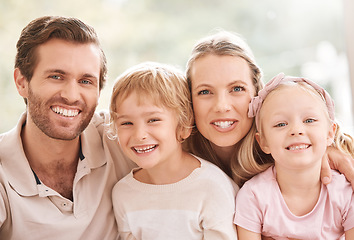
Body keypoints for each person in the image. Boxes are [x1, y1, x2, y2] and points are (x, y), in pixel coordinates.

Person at [0, 16, 134, 239]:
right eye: (56, 76)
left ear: (99, 91)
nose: (71, 96)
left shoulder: (123, 136)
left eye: (86, 81)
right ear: (22, 82)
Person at [183, 30, 354, 187]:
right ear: (189, 99)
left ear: (257, 93)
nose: (221, 106)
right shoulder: (175, 157)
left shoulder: (288, 145)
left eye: (237, 89)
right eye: (205, 91)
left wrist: (318, 150)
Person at [108, 62, 238, 240]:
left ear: (183, 126)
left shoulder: (212, 188)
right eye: (126, 123)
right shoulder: (122, 193)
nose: (139, 135)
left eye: (153, 120)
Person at [234, 73, 354, 239]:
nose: (296, 130)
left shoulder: (345, 192)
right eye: (281, 124)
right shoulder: (253, 196)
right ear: (263, 142)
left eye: (309, 120)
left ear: (330, 133)